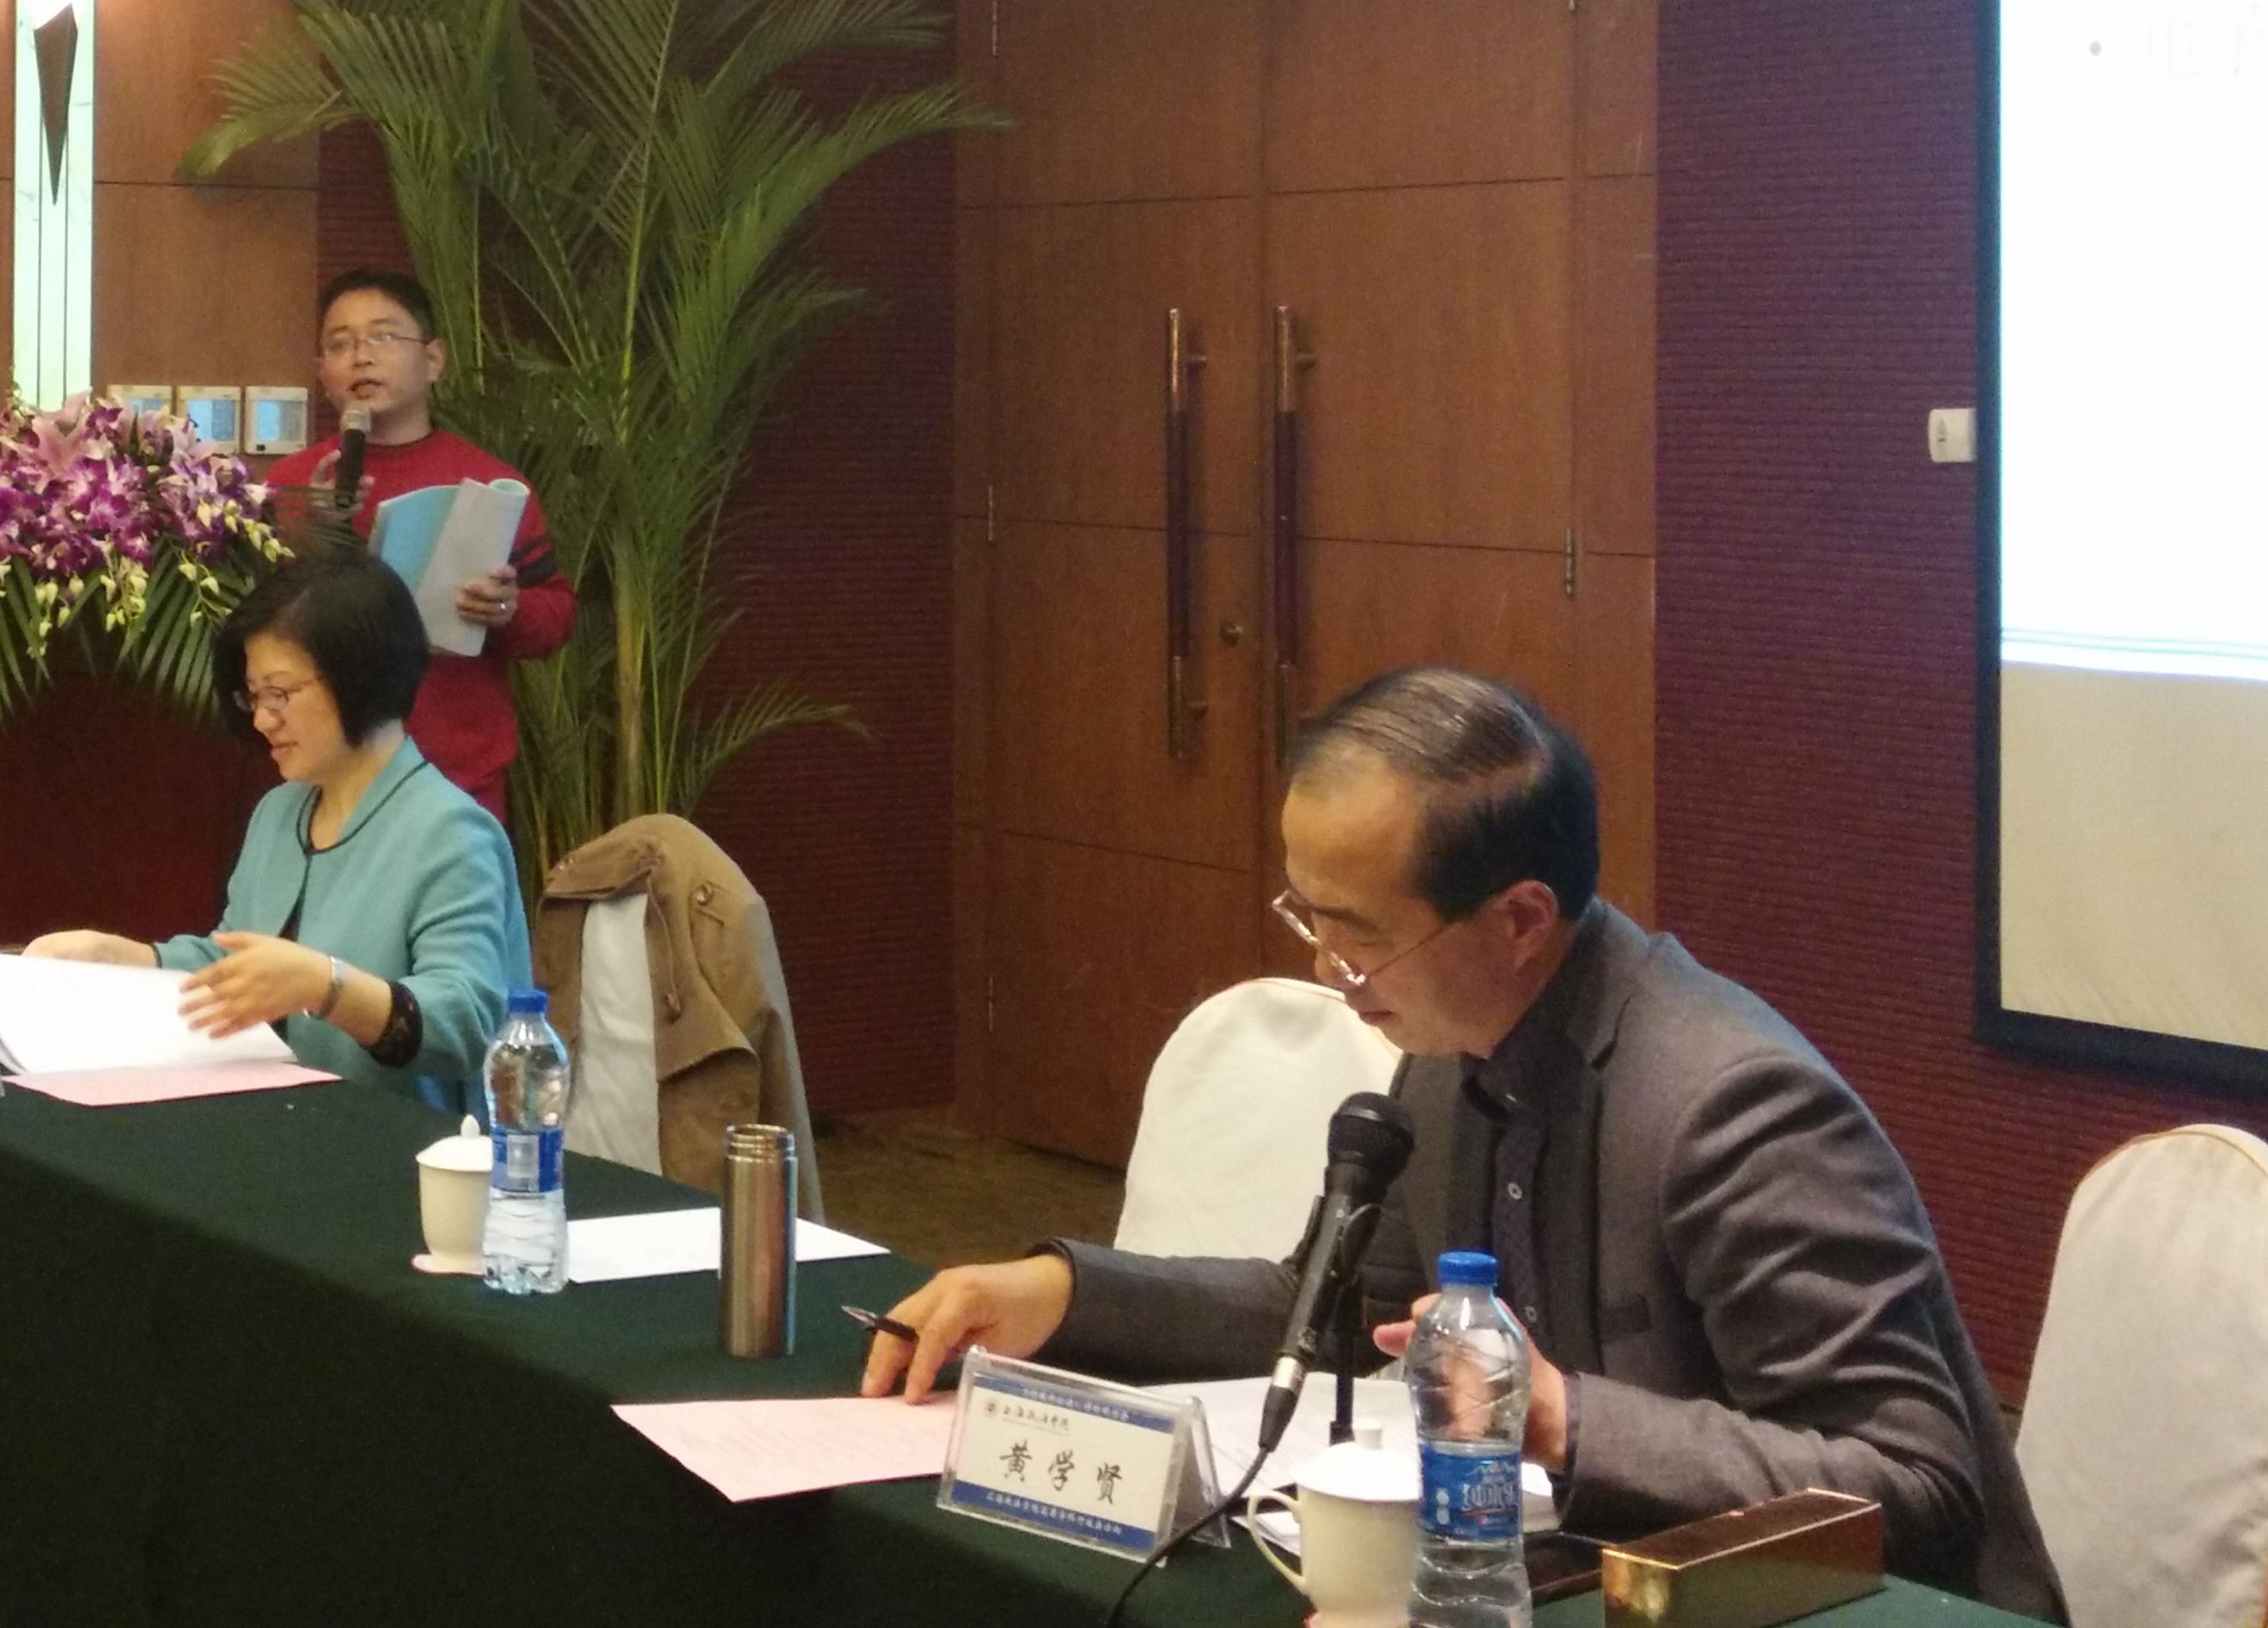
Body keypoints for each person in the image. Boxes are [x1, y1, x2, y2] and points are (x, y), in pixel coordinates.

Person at [863, 668, 2063, 1619]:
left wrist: (1561, 1417)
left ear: (1520, 919)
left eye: (1356, 934)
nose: (1326, 969)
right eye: (1306, 913)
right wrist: (1062, 1295)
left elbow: (1915, 1487)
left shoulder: (1733, 1108)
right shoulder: (1454, 1045)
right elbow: (1331, 1309)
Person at [27, 545, 532, 1113]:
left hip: (410, 1145)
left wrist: (327, 986)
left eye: (280, 694)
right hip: (279, 1121)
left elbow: (467, 1022)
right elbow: (238, 966)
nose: (263, 719)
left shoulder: (451, 833)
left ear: (359, 676)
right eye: (254, 696)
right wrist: (128, 958)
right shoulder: (280, 812)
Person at [264, 268, 575, 820]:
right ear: (322, 373)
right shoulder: (288, 487)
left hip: (456, 784)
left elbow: (556, 616)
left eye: (383, 336)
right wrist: (311, 534)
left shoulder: (493, 486)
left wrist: (509, 610)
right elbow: (247, 628)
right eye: (340, 344)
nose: (361, 357)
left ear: (433, 360)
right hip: (318, 783)